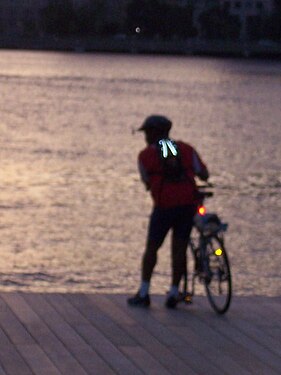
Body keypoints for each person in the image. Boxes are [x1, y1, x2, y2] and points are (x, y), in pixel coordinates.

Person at [127, 115, 209, 308]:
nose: (145, 136)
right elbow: (204, 174)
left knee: (152, 249)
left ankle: (144, 292)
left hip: (164, 207)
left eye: (147, 132)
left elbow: (147, 183)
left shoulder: (145, 156)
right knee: (179, 249)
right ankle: (173, 293)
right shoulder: (186, 149)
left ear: (154, 133)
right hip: (187, 206)